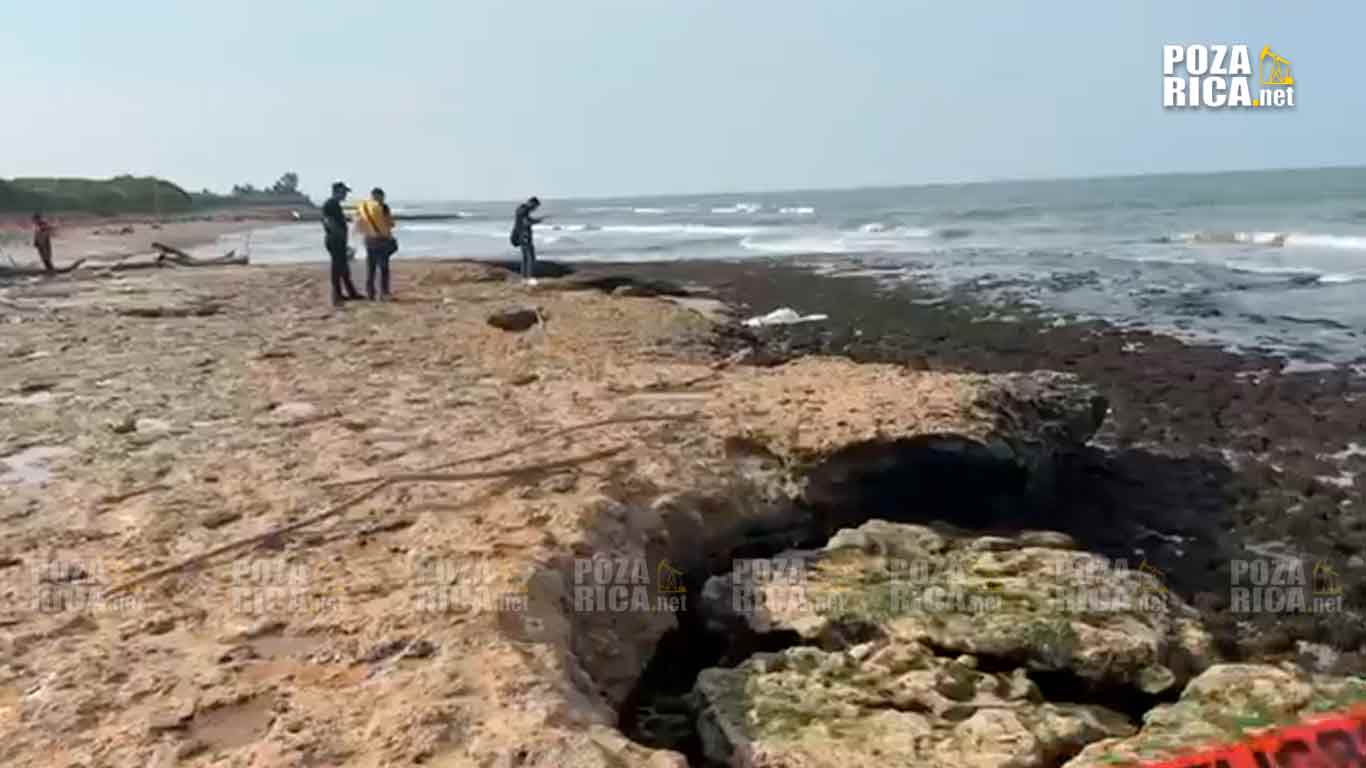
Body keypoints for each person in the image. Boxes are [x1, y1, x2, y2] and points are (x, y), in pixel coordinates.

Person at [322, 181, 363, 306]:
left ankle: (349, 293)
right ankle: (337, 296)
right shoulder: (331, 204)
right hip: (335, 240)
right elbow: (329, 222)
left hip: (337, 240)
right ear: (337, 192)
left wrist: (347, 219)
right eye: (344, 192)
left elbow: (335, 220)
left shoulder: (334, 204)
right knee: (337, 268)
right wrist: (339, 239)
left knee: (343, 268)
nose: (345, 195)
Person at [355, 187, 398, 300]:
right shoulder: (383, 207)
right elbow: (390, 223)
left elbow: (357, 222)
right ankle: (384, 293)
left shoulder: (363, 206)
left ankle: (370, 293)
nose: (383, 199)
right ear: (379, 196)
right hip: (382, 240)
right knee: (383, 268)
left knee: (371, 268)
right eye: (382, 196)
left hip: (369, 240)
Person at [511, 196, 544, 285]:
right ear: (531, 203)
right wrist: (537, 221)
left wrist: (536, 220)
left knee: (525, 258)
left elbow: (524, 221)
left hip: (521, 236)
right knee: (530, 257)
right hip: (525, 236)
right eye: (535, 206)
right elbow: (526, 222)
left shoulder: (521, 209)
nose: (535, 209)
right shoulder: (524, 210)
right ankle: (529, 278)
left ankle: (524, 278)